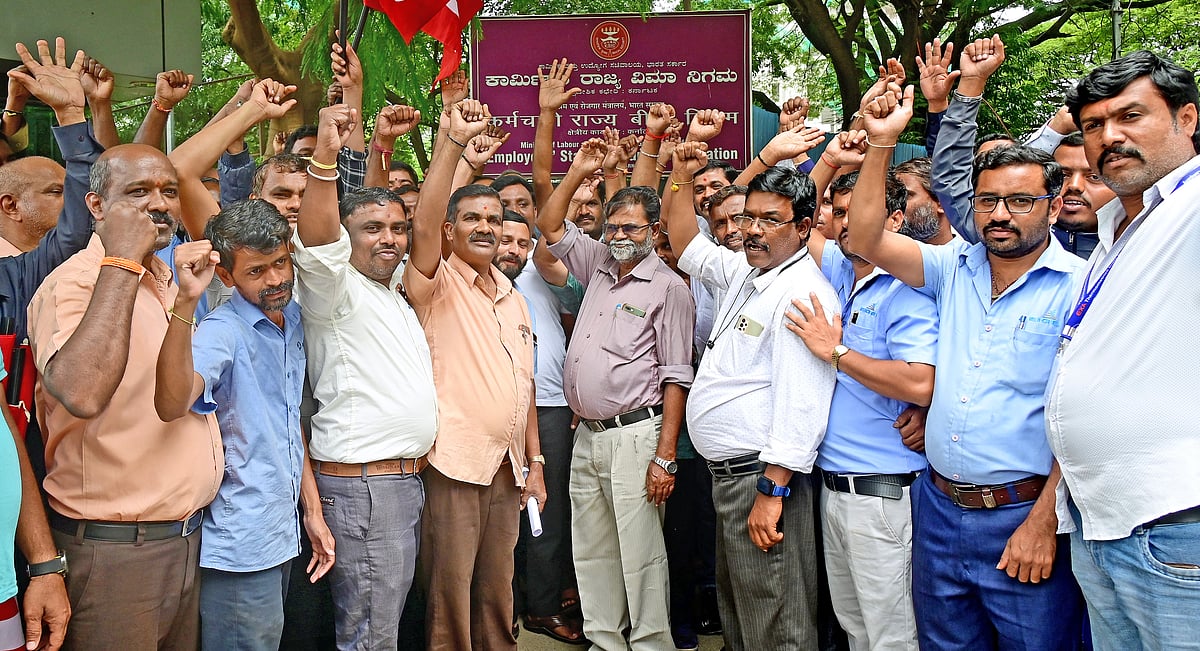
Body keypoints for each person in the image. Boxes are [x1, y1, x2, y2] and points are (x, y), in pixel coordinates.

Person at [848, 79, 1085, 650]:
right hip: (938, 509)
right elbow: (865, 236)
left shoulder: (1080, 287)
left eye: (1020, 201)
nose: (1000, 215)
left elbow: (1082, 420)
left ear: (1053, 206)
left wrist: (1044, 520)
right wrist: (881, 142)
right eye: (987, 201)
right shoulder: (952, 268)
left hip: (1024, 516)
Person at [28, 141, 224, 649]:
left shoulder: (169, 281)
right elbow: (82, 392)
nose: (159, 204)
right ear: (96, 206)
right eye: (138, 192)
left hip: (185, 541)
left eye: (168, 191)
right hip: (116, 553)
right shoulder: (72, 284)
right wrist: (120, 260)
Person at [1048, 50, 1200, 650]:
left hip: (1174, 523)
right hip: (1100, 522)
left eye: (1131, 116)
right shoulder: (1115, 227)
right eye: (1093, 125)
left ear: (1187, 118)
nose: (1109, 136)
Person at [664, 142, 836, 650]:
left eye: (770, 220)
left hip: (760, 480)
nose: (752, 230)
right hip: (732, 479)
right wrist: (681, 173)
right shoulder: (749, 272)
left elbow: (802, 404)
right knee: (743, 618)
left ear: (803, 227)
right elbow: (683, 241)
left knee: (775, 622)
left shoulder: (802, 293)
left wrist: (771, 492)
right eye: (749, 218)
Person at [152, 201, 336, 650]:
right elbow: (173, 403)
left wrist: (312, 512)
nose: (274, 279)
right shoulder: (223, 331)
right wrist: (185, 300)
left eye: (280, 263)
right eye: (256, 271)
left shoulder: (291, 318)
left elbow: (286, 425)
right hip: (241, 542)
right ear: (226, 276)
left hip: (283, 530)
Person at [538, 138, 694, 651]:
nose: (620, 236)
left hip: (637, 436)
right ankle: (605, 641)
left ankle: (650, 644)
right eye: (613, 227)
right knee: (592, 548)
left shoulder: (669, 288)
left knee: (641, 553)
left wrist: (665, 456)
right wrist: (577, 171)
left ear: (654, 231)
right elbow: (550, 224)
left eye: (632, 228)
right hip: (587, 435)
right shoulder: (598, 264)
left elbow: (676, 376)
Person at [292, 103, 437, 650]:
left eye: (398, 228)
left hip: (392, 485)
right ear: (343, 239)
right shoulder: (332, 288)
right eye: (372, 229)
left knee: (378, 626)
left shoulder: (389, 289)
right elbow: (319, 238)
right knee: (371, 635)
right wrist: (325, 157)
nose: (389, 238)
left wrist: (382, 149)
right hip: (366, 488)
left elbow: (379, 213)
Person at [404, 99, 545, 651]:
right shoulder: (435, 282)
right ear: (450, 229)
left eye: (493, 219)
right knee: (450, 592)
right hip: (455, 466)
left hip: (508, 470)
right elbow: (422, 221)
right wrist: (454, 143)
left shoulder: (513, 296)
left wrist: (534, 464)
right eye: (472, 218)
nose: (485, 227)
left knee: (497, 589)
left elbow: (523, 388)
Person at [794, 170, 937, 651]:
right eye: (838, 213)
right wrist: (832, 158)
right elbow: (799, 219)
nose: (844, 223)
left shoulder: (905, 289)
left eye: (857, 213)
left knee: (890, 635)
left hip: (881, 494)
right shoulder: (840, 270)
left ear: (893, 220)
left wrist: (836, 352)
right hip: (834, 486)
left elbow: (920, 382)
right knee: (855, 628)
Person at [1048, 132, 1112, 259]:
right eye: (1062, 175)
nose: (1074, 185)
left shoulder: (1138, 249)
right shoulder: (1020, 247)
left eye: (1094, 177)